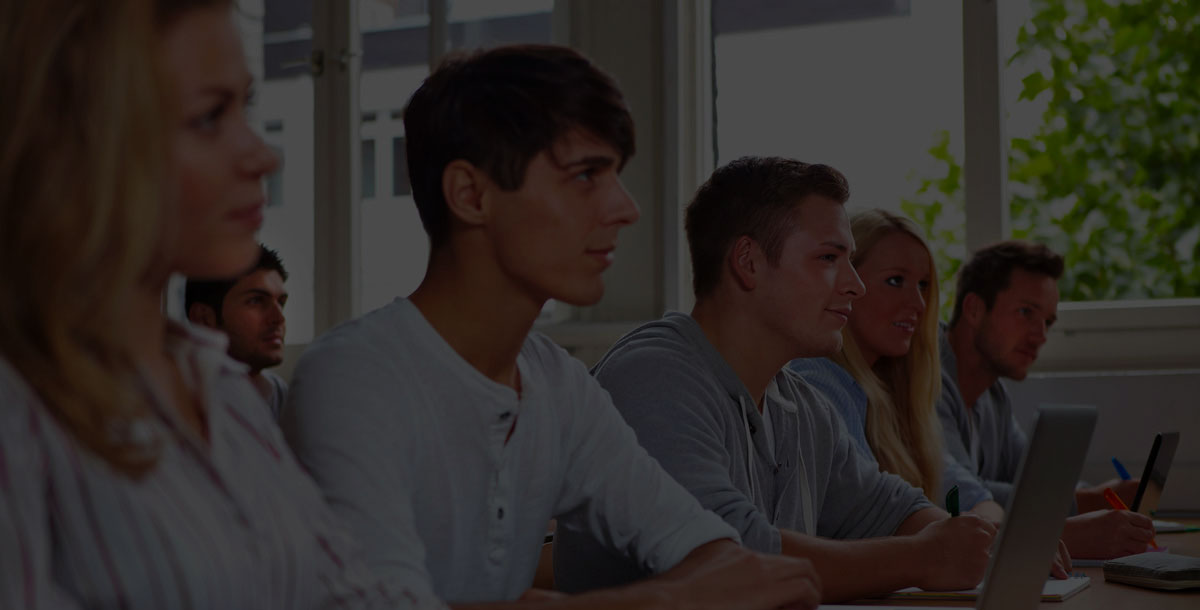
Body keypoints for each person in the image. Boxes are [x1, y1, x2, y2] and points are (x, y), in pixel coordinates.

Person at [282, 45, 822, 609]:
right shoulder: (353, 379)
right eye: (586, 174)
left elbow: (709, 548)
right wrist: (668, 600)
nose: (625, 207)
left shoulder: (555, 383)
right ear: (471, 194)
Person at [0, 1, 436, 607]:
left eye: (245, 108)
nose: (263, 156)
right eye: (210, 117)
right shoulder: (19, 406)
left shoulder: (222, 391)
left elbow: (352, 597)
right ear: (75, 148)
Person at [554, 158, 1033, 604]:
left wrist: (971, 544)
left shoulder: (800, 404)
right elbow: (730, 555)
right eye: (829, 258)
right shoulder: (655, 375)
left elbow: (889, 507)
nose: (854, 285)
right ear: (748, 262)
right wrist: (924, 558)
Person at [939, 240, 1156, 559]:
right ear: (973, 309)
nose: (1040, 335)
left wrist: (1093, 494)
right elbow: (957, 491)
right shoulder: (922, 379)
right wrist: (1086, 501)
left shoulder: (994, 394)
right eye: (1026, 312)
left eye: (1048, 322)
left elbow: (1032, 476)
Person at [790, 209, 1005, 522]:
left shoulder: (898, 395)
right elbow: (874, 518)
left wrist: (993, 534)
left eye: (923, 285)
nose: (918, 304)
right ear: (847, 284)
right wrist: (987, 539)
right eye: (895, 281)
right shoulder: (819, 382)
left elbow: (977, 499)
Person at [186, 244, 289, 419]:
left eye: (281, 302)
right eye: (256, 301)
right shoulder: (180, 400)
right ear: (204, 318)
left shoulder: (281, 394)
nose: (279, 318)